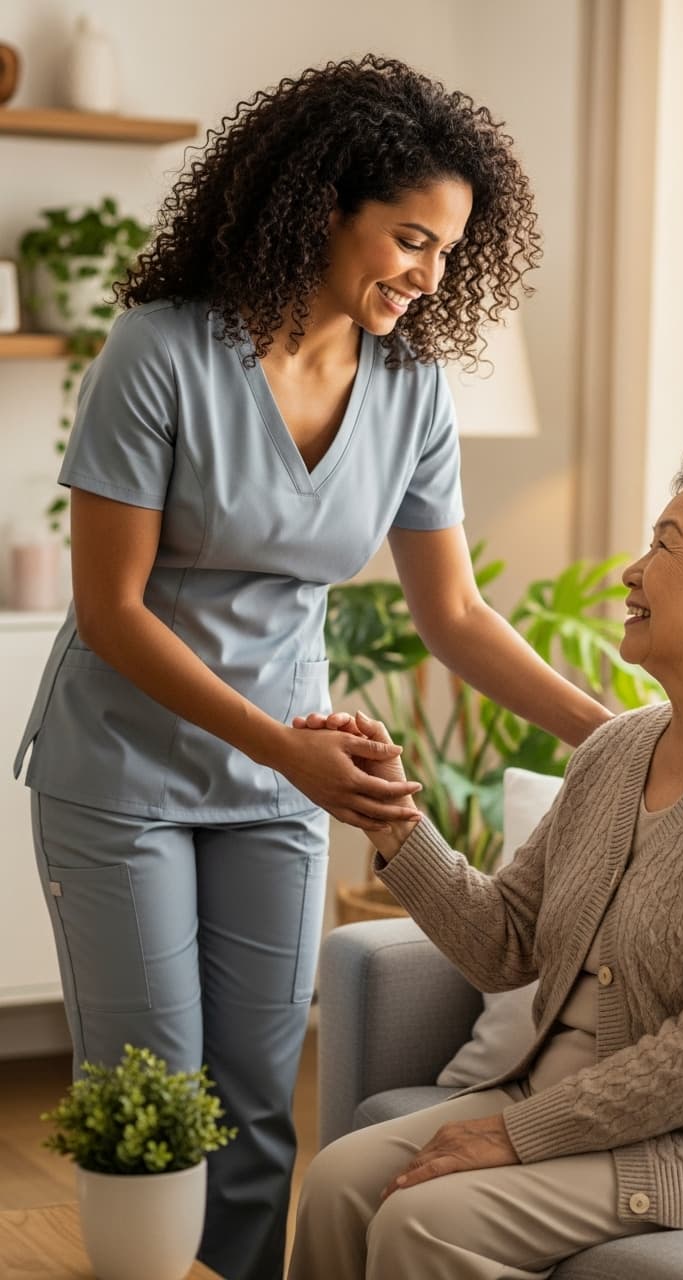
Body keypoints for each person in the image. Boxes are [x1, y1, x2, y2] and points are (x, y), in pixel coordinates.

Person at [13, 56, 613, 1280]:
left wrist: (611, 734)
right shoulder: (161, 350)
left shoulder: (410, 388)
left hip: (284, 776)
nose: (428, 275)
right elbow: (112, 611)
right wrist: (283, 747)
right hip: (124, 769)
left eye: (447, 251)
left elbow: (454, 612)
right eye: (409, 238)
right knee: (154, 1085)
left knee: (255, 1092)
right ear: (321, 204)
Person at [289, 435, 683, 1280]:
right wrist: (393, 820)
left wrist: (516, 1133)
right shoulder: (618, 749)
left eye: (665, 546)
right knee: (340, 1178)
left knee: (424, 1221)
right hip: (568, 1098)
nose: (632, 573)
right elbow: (503, 944)